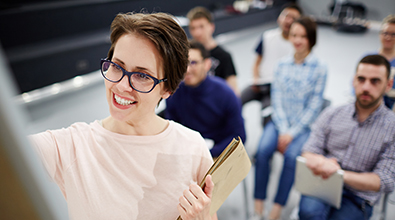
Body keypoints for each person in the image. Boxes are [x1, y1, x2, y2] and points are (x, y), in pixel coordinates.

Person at [28, 12, 218, 220]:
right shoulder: (70, 147)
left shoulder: (192, 148)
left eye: (142, 75)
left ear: (168, 89)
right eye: (117, 66)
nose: (121, 85)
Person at [298, 54, 395, 220]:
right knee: (309, 213)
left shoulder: (392, 127)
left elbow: (384, 180)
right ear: (353, 81)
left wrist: (340, 174)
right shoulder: (332, 114)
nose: (366, 87)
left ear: (388, 84)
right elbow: (308, 151)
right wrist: (323, 163)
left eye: (375, 81)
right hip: (323, 182)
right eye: (361, 79)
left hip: (359, 197)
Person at [253, 17, 327, 220]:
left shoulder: (320, 68)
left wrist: (291, 133)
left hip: (303, 128)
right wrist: (284, 129)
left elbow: (314, 106)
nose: (298, 40)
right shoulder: (281, 65)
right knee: (262, 151)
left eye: (303, 36)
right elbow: (275, 100)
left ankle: (275, 211)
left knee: (292, 158)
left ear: (311, 39)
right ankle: (258, 209)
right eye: (294, 35)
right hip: (280, 122)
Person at [165, 40, 246, 158]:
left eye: (193, 63)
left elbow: (239, 135)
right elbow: (172, 132)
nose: (187, 69)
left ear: (207, 64)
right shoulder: (174, 93)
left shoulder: (225, 93)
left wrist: (209, 153)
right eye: (183, 63)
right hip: (188, 153)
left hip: (219, 153)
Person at [240, 3, 302, 126]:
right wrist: (255, 79)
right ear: (279, 17)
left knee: (267, 115)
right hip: (259, 83)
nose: (288, 20)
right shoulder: (267, 36)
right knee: (236, 100)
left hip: (277, 88)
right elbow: (257, 62)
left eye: (293, 18)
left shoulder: (297, 44)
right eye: (286, 16)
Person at [187, 6, 239, 95]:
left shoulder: (224, 56)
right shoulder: (187, 55)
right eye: (193, 28)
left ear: (211, 27)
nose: (197, 32)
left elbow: (233, 91)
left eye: (201, 27)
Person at [364, 15, 395, 109]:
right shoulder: (368, 59)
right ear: (380, 34)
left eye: (393, 34)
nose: (388, 37)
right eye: (385, 33)